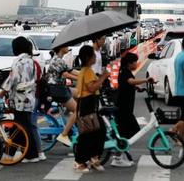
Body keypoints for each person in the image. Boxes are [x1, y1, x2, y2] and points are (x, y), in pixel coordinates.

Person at [0, 37, 41, 163]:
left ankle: (16, 154)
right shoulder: (31, 61)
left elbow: (13, 79)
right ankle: (28, 153)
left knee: (19, 127)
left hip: (20, 98)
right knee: (23, 125)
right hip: (29, 96)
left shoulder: (19, 62)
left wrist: (2, 92)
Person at [112, 53, 155, 167]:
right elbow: (129, 81)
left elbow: (128, 84)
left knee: (128, 131)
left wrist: (138, 88)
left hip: (126, 108)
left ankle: (122, 153)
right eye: (135, 62)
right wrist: (146, 80)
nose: (136, 63)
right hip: (123, 108)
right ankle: (117, 157)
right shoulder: (125, 72)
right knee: (127, 131)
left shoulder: (125, 71)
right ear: (129, 63)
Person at [74, 45, 109, 173]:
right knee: (88, 135)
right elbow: (92, 88)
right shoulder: (87, 71)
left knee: (97, 132)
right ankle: (80, 162)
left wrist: (99, 77)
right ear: (89, 57)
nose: (95, 57)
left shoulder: (87, 70)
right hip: (87, 104)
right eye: (94, 55)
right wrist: (103, 77)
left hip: (89, 104)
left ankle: (94, 158)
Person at [43, 45, 80, 147]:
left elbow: (71, 70)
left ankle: (69, 116)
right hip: (57, 90)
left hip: (60, 88)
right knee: (79, 110)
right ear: (61, 48)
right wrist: (82, 78)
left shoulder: (58, 59)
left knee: (79, 93)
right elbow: (67, 75)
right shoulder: (58, 60)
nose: (68, 47)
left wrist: (85, 75)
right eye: (66, 45)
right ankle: (64, 134)